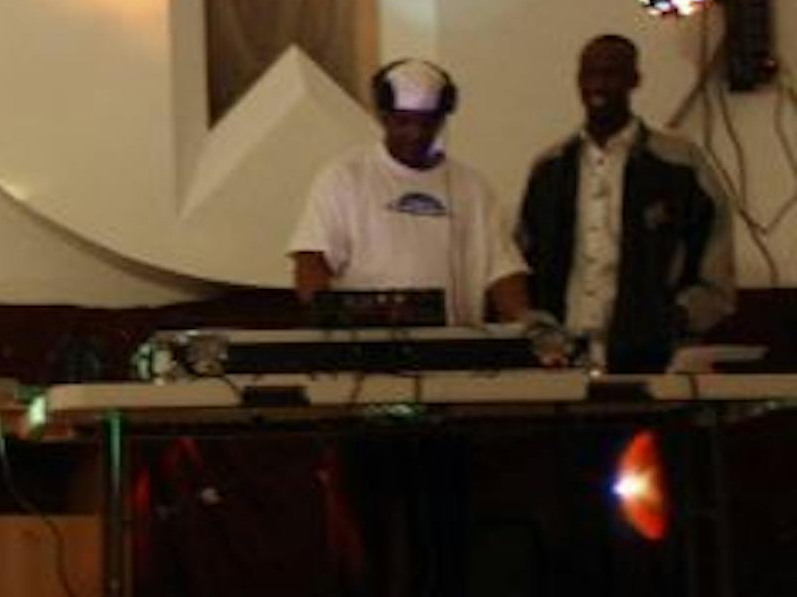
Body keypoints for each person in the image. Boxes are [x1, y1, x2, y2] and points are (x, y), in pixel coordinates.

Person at [517, 34, 735, 375]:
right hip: (562, 359)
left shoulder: (679, 165)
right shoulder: (550, 169)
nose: (598, 85)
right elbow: (524, 259)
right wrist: (539, 330)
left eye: (611, 74)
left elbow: (715, 265)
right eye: (589, 74)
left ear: (635, 80)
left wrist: (673, 319)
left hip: (653, 359)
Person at [290, 58, 536, 329]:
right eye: (403, 122)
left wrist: (526, 324)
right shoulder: (344, 178)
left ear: (443, 119)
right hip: (367, 356)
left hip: (453, 355)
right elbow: (311, 262)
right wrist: (327, 324)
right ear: (383, 117)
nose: (416, 134)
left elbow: (504, 273)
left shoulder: (473, 189)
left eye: (427, 123)